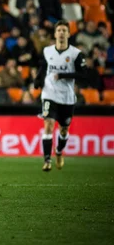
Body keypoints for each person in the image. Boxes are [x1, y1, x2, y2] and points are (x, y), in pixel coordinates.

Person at [33, 20, 86, 171]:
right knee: (48, 124)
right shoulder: (47, 51)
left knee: (64, 129)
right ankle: (47, 160)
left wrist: (63, 75)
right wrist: (38, 80)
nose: (61, 33)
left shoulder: (76, 54)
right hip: (49, 94)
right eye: (59, 30)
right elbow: (43, 68)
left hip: (67, 97)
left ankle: (59, 151)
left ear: (68, 34)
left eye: (64, 30)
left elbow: (83, 75)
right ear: (55, 34)